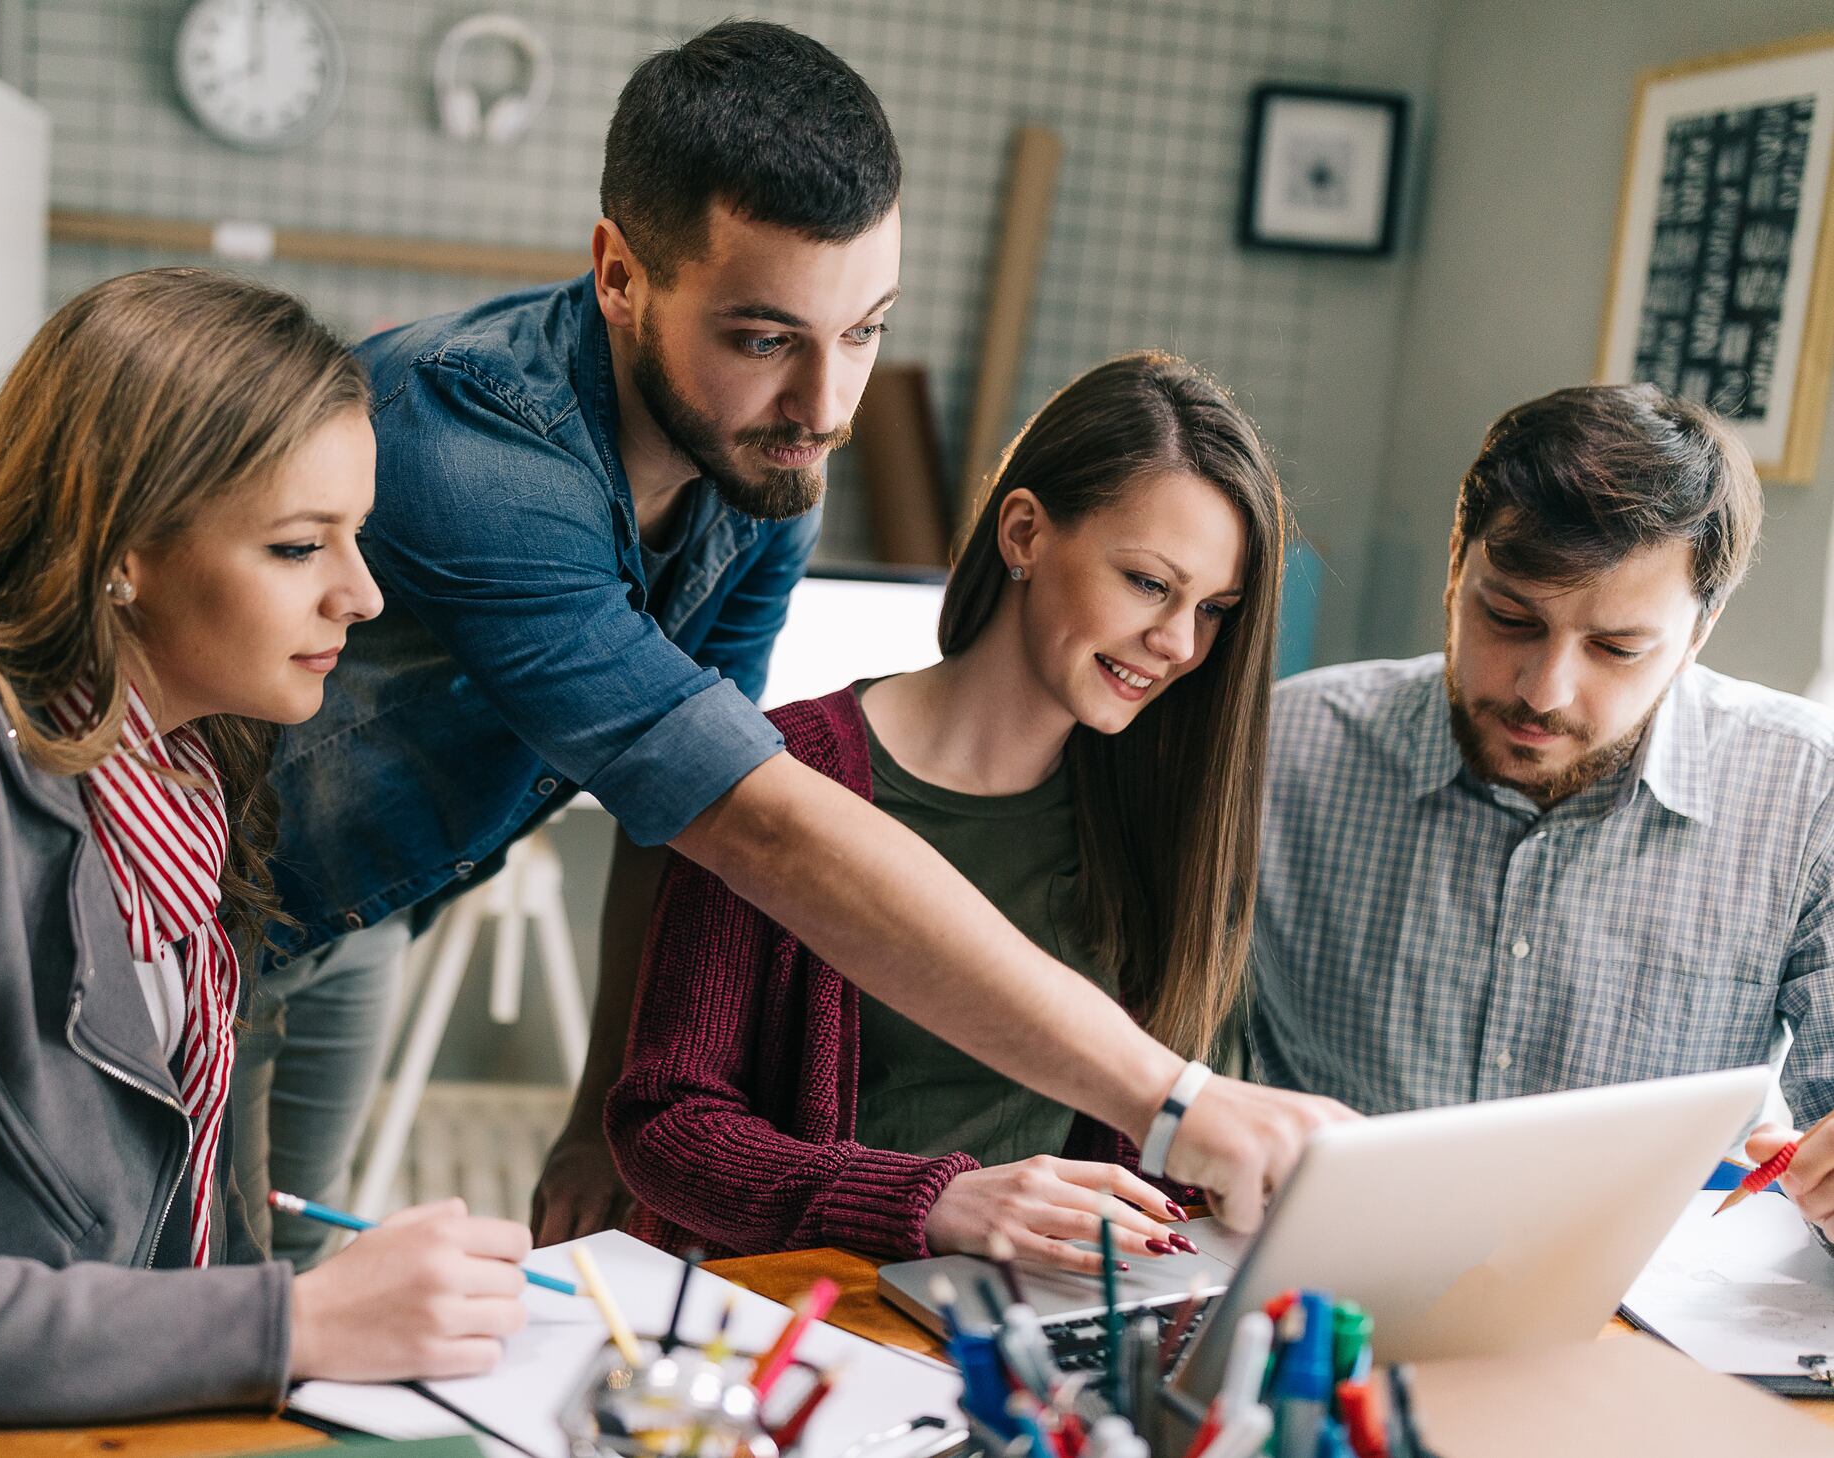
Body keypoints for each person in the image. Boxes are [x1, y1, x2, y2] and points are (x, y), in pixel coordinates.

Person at [248, 19, 1348, 1268]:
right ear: (619, 273)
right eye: (765, 339)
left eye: (866, 331)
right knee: (180, 1305)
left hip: (359, 915)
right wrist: (1175, 1099)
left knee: (278, 1302)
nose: (825, 407)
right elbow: (754, 823)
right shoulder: (475, 453)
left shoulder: (769, 463)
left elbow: (680, 816)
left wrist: (598, 1109)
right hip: (188, 907)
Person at [0, 269, 533, 1423]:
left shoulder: (190, 757)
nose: (364, 596)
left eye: (357, 538)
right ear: (121, 547)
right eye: (297, 547)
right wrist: (299, 1322)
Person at [605, 351, 1292, 1267]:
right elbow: (667, 1127)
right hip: (810, 1320)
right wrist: (928, 1206)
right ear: (1023, 533)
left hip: (1039, 1334)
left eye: (1215, 609)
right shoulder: (786, 774)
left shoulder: (1155, 818)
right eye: (1148, 583)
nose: (1176, 643)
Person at [1248, 382, 1834, 1240]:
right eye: (1511, 618)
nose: (1543, 691)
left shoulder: (1807, 799)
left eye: (1616, 649)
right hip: (1329, 1303)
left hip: (1635, 1322)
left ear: (1698, 632)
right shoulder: (1286, 754)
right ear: (1458, 564)